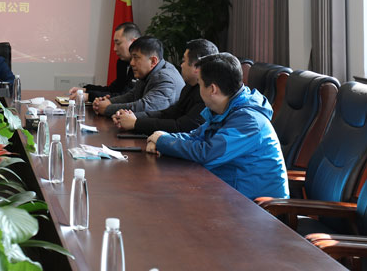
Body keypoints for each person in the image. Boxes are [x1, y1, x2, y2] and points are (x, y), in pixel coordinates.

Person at [146, 52, 288, 200]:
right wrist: (162, 138)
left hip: (257, 207)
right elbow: (196, 136)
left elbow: (207, 153)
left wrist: (162, 141)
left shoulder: (249, 121)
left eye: (200, 84)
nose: (199, 89)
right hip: (229, 193)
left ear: (213, 89)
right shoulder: (228, 109)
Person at [113, 38, 218, 134]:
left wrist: (136, 123)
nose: (181, 65)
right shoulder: (189, 87)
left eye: (184, 61)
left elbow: (181, 127)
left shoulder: (207, 94)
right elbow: (168, 114)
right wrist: (131, 117)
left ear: (197, 67)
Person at [92, 36, 184, 117]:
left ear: (153, 61)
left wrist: (107, 109)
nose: (131, 63)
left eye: (136, 58)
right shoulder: (149, 72)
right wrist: (109, 102)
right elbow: (132, 95)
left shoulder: (165, 78)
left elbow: (145, 107)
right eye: (131, 58)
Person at [68, 22, 141, 102]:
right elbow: (113, 89)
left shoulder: (142, 66)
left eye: (118, 43)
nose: (114, 49)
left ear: (134, 42)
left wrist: (89, 96)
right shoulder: (122, 62)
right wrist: (86, 90)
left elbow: (126, 97)